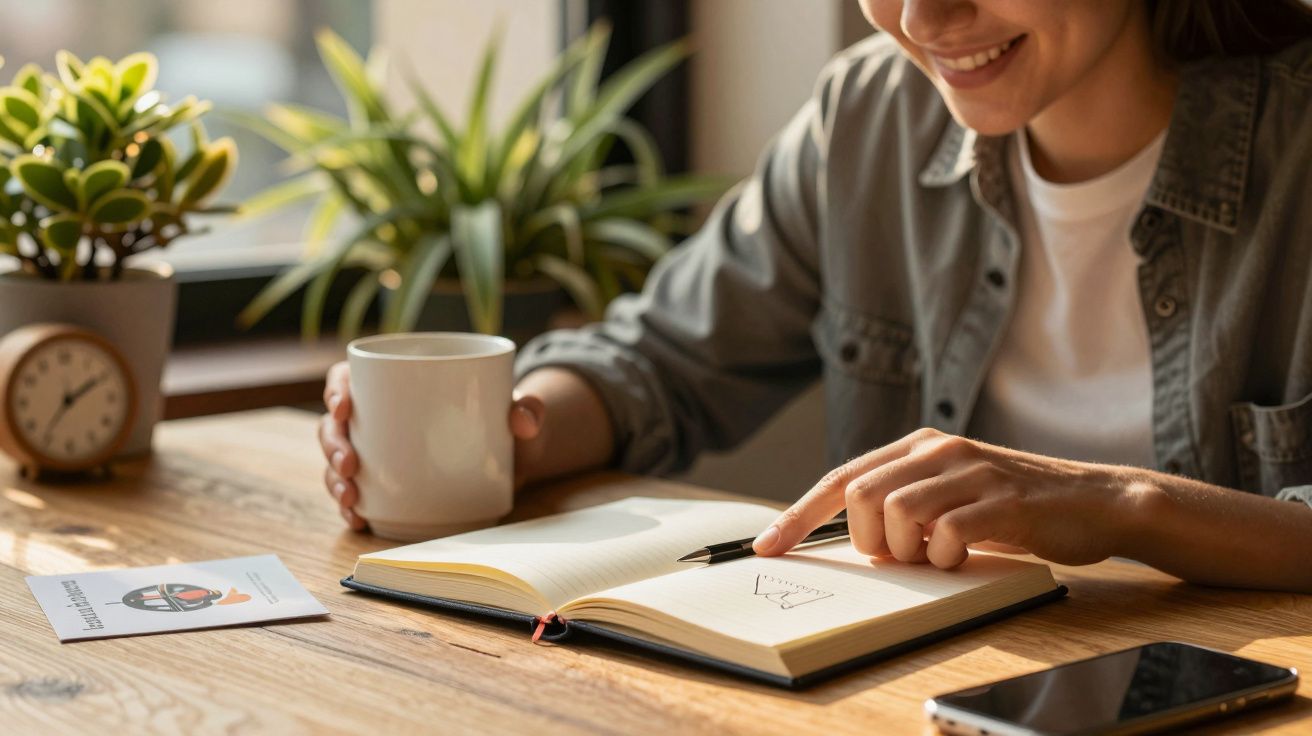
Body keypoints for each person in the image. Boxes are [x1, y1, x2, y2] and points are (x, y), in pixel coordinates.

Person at [320, 0, 1312, 593]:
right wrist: (508, 428)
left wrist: (1124, 506)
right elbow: (658, 360)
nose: (922, 20)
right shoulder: (868, 114)